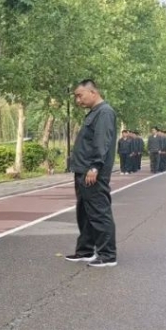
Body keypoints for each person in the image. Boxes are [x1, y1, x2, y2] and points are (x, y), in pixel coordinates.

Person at [65, 79, 118, 268]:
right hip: (83, 170)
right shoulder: (95, 113)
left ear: (93, 92)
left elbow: (101, 142)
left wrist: (95, 166)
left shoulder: (104, 112)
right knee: (85, 213)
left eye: (80, 96)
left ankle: (107, 255)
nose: (78, 100)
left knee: (99, 213)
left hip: (92, 172)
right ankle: (85, 250)